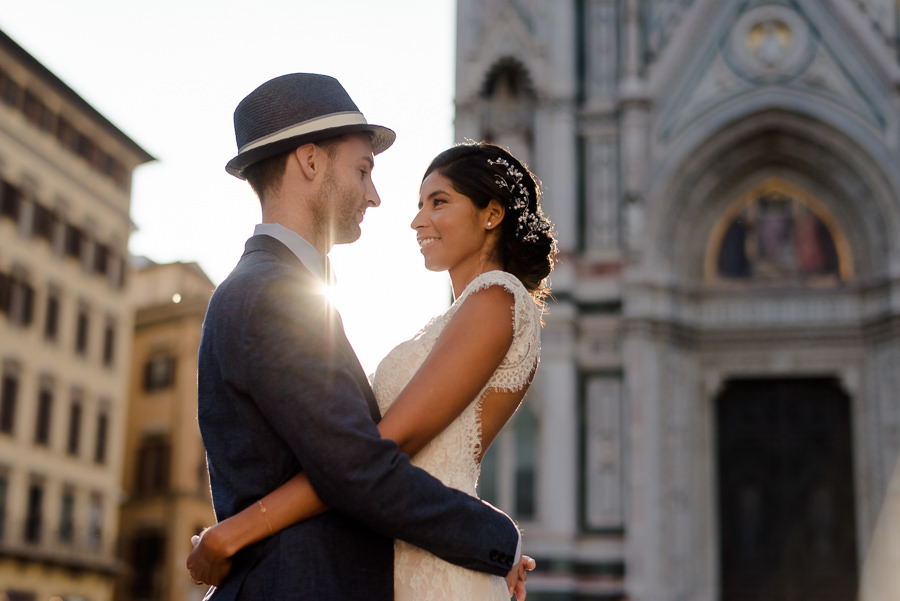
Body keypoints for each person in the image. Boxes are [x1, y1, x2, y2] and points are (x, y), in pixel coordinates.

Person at [193, 73, 535, 601]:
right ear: (310, 162)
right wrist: (499, 540)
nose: (375, 197)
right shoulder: (273, 293)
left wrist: (232, 531)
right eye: (363, 170)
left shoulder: (276, 287)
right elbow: (355, 467)